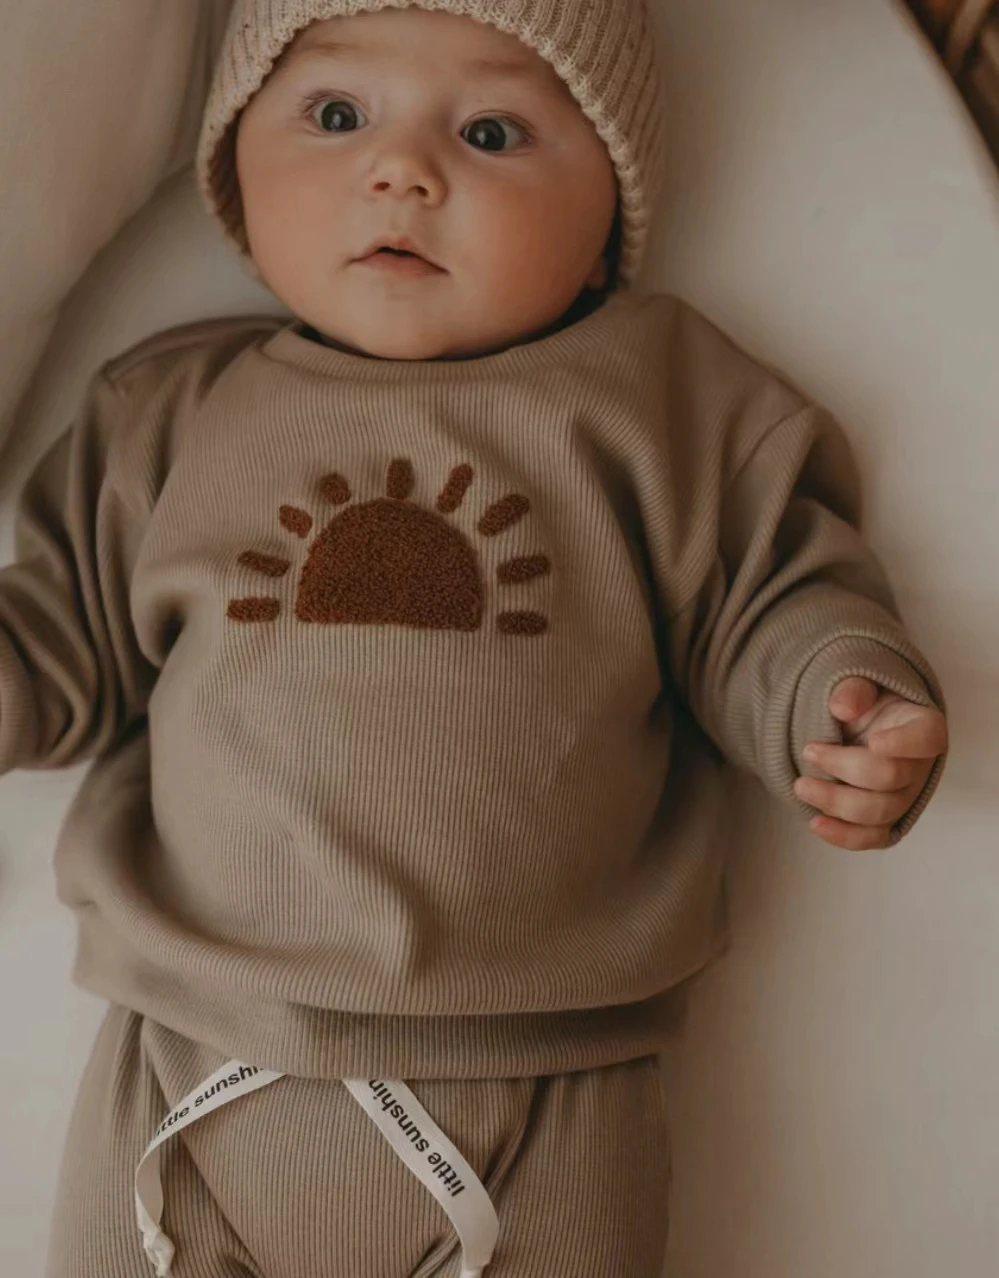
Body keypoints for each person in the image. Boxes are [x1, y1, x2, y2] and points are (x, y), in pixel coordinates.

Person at [1, 2, 948, 1275]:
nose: (402, 170)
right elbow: (58, 634)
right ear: (231, 166)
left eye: (492, 132)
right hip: (188, 1058)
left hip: (547, 1090)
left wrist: (841, 699)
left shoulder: (657, 404)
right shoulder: (168, 415)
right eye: (337, 115)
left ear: (607, 217)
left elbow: (770, 598)